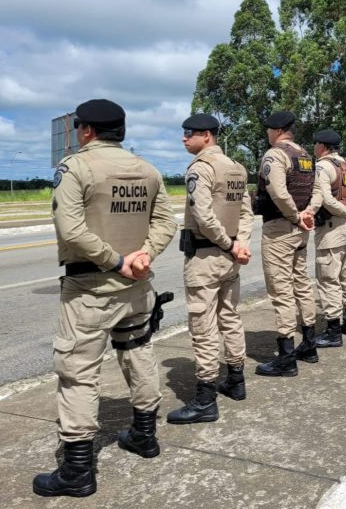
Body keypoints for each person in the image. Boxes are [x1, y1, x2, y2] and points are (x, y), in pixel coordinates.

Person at [33, 99, 177, 497]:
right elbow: (167, 221)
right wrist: (143, 255)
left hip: (91, 290)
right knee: (139, 355)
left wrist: (115, 261)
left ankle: (77, 470)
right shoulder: (146, 169)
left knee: (78, 370)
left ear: (85, 131)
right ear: (122, 131)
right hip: (136, 288)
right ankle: (145, 435)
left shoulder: (76, 167)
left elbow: (71, 230)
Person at [166, 114, 254, 425]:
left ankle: (205, 399)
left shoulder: (201, 168)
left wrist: (230, 245)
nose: (183, 138)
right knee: (230, 317)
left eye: (189, 133)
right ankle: (236, 379)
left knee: (203, 327)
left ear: (207, 135)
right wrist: (239, 243)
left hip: (206, 257)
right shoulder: (236, 168)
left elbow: (202, 215)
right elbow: (246, 212)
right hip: (230, 256)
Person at [253, 111, 317, 377]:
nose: (267, 134)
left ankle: (286, 358)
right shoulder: (304, 156)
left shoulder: (275, 154)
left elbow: (278, 192)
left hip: (281, 228)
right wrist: (306, 214)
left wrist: (293, 215)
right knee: (301, 283)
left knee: (281, 291)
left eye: (269, 129)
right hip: (300, 229)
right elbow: (315, 191)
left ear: (277, 130)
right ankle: (309, 344)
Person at [307, 129, 346, 347]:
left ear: (321, 146)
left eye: (315, 145)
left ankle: (333, 331)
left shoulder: (323, 166)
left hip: (331, 230)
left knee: (328, 280)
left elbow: (325, 199)